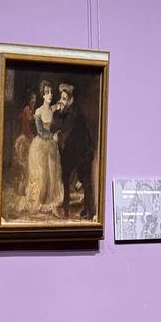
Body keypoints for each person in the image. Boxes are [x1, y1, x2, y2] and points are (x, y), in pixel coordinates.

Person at [55, 82, 96, 219]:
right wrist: (59, 111)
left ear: (71, 99)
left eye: (65, 98)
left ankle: (89, 211)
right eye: (61, 98)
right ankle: (67, 206)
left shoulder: (74, 112)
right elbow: (59, 124)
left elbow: (67, 129)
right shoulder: (66, 111)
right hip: (73, 149)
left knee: (86, 180)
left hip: (84, 150)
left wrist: (59, 135)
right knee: (66, 176)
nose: (62, 101)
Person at [25, 80, 63, 215]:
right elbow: (40, 132)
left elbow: (58, 106)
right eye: (47, 92)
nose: (50, 94)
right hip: (40, 146)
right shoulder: (38, 111)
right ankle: (39, 202)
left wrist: (61, 104)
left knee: (53, 173)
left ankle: (51, 203)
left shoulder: (52, 109)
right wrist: (52, 136)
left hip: (51, 145)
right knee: (42, 174)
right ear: (42, 95)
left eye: (51, 92)